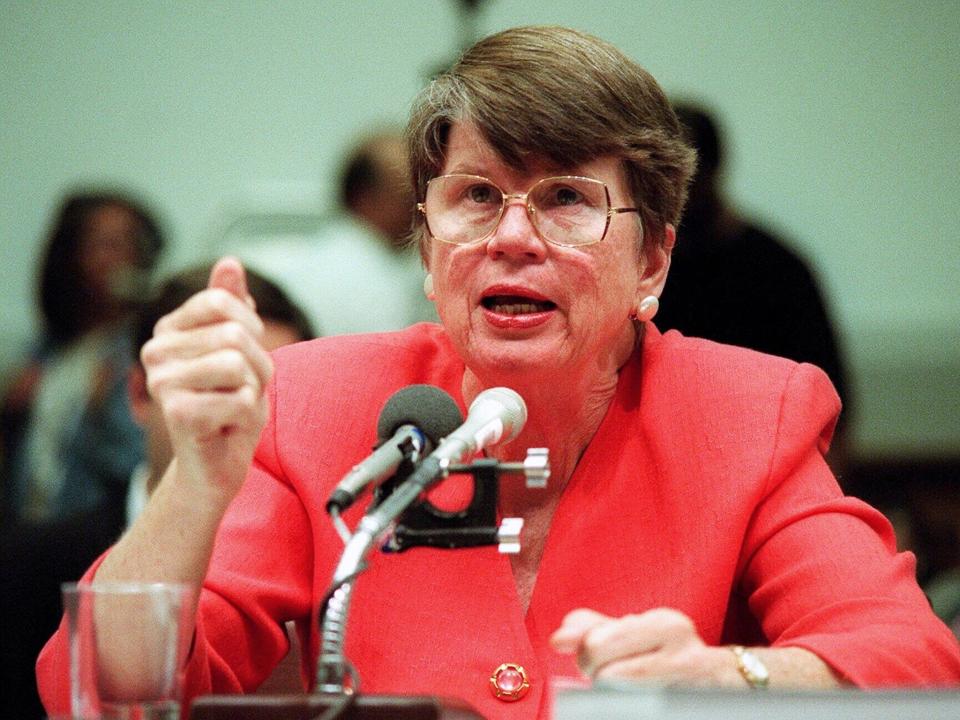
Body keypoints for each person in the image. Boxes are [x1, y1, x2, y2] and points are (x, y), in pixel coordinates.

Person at [37, 26, 960, 720]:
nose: (513, 237)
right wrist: (194, 481)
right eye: (477, 197)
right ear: (430, 247)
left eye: (566, 199)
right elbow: (101, 689)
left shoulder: (750, 413)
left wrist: (732, 679)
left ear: (652, 264)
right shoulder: (317, 402)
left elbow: (913, 661)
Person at [1, 264, 313, 720]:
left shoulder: (330, 563)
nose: (241, 415)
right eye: (215, 385)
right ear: (139, 396)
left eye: (270, 393)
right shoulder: (24, 565)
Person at [656, 103, 852, 467]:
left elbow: (833, 405)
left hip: (764, 463)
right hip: (656, 457)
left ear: (710, 172)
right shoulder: (637, 267)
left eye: (683, 181)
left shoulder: (779, 269)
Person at [0, 190, 164, 523]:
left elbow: (140, 466)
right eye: (102, 243)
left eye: (128, 243)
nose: (117, 257)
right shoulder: (46, 349)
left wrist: (106, 411)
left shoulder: (141, 348)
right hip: (29, 524)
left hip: (94, 530)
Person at [229, 128, 437, 336]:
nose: (420, 212)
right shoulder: (377, 286)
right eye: (407, 200)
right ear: (364, 198)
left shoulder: (300, 258)